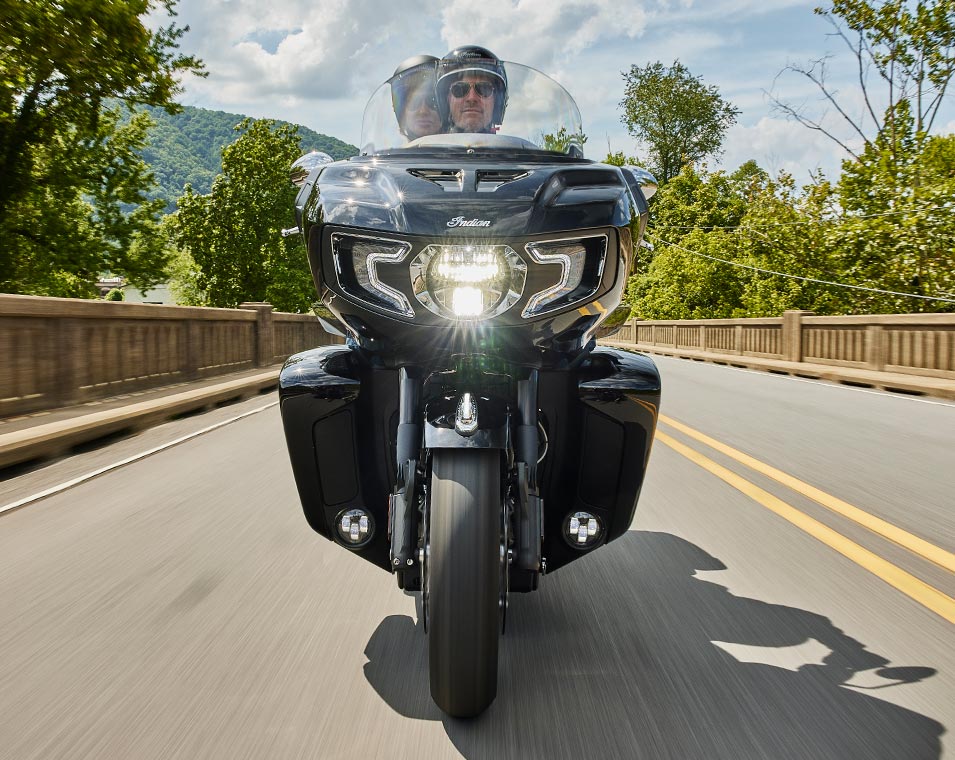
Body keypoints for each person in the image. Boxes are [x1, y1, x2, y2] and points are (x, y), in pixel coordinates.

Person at [435, 46, 508, 134]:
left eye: (484, 89)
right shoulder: (426, 143)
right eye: (459, 89)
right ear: (447, 100)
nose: (472, 98)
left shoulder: (514, 143)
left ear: (496, 102)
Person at [389, 54, 442, 141]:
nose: (423, 111)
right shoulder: (387, 150)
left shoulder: (464, 147)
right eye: (414, 103)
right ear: (402, 112)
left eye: (433, 102)